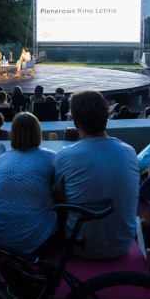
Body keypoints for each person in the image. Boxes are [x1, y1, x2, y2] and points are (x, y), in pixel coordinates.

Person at [54, 90, 139, 259]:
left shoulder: (65, 156)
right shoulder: (129, 152)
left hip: (82, 247)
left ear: (76, 123)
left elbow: (61, 198)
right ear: (106, 118)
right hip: (123, 244)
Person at [0, 112, 57, 254]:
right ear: (38, 132)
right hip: (38, 241)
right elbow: (56, 190)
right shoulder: (50, 157)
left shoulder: (3, 159)